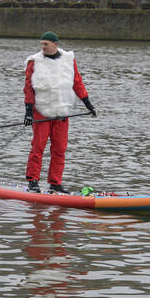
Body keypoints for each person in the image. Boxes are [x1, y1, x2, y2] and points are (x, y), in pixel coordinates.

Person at [23, 31, 96, 194]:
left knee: (59, 149)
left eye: (46, 44)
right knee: (38, 147)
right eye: (41, 44)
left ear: (55, 44)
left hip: (62, 112)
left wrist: (88, 104)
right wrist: (28, 111)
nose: (42, 47)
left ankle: (55, 183)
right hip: (41, 111)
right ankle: (32, 181)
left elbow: (77, 82)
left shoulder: (68, 60)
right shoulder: (34, 62)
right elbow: (28, 87)